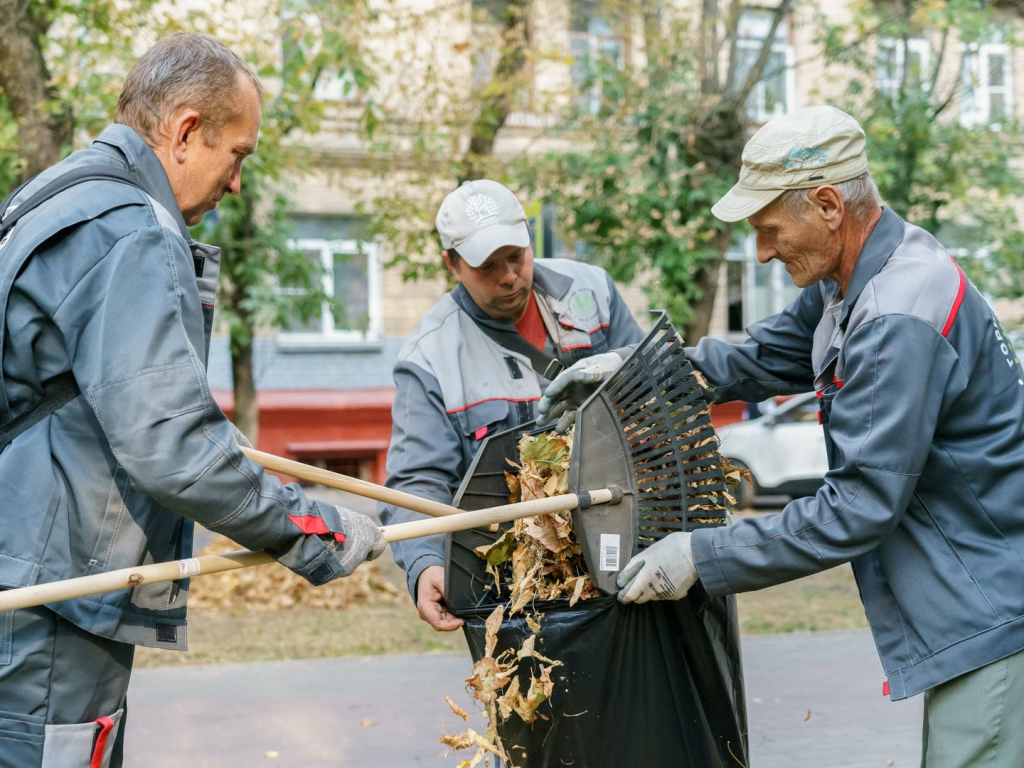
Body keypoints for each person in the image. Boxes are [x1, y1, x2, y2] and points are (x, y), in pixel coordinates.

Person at [541, 105, 1024, 767]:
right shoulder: (856, 278)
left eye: (770, 229)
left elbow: (855, 509)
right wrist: (639, 371)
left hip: (995, 612)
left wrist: (698, 557)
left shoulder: (894, 315)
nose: (764, 252)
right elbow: (761, 357)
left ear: (828, 204)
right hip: (979, 599)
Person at [0, 33, 385, 768]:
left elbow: (116, 404)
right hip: (48, 602)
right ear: (185, 132)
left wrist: (230, 452)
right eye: (237, 154)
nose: (236, 181)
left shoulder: (57, 194)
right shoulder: (131, 228)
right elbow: (170, 448)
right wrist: (315, 529)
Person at [377, 179, 647, 629]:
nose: (508, 276)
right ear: (452, 264)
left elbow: (645, 395)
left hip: (627, 548)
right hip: (522, 589)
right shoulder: (429, 357)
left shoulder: (592, 292)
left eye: (516, 256)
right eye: (487, 266)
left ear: (529, 237)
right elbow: (416, 480)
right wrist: (425, 563)